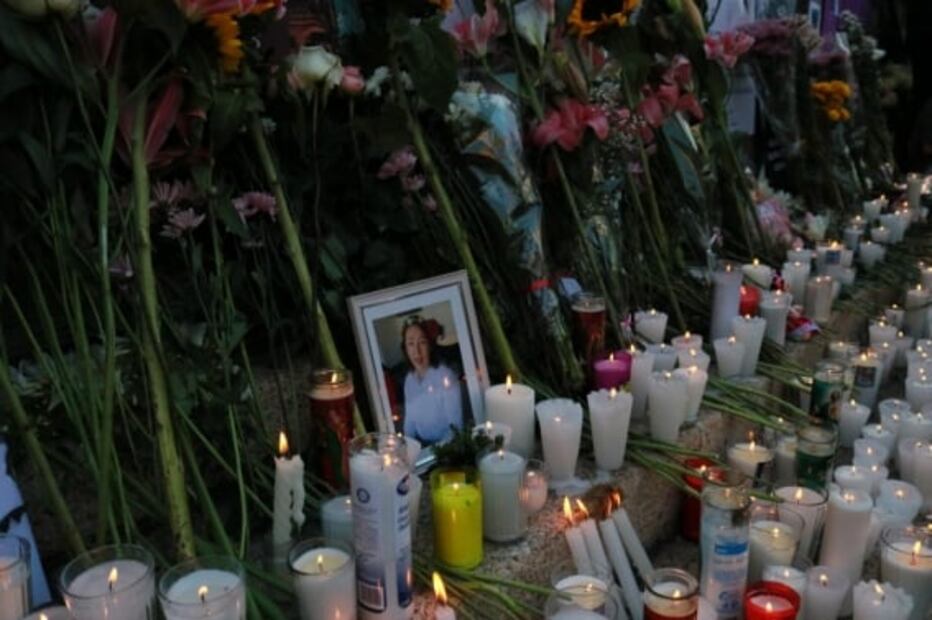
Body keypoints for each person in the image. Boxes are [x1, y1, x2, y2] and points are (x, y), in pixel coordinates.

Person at [399, 316, 463, 444]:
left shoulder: (445, 376)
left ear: (430, 345)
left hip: (446, 444)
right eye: (411, 344)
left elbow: (456, 428)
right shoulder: (409, 380)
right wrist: (406, 447)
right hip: (421, 445)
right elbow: (410, 422)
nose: (416, 351)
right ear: (405, 349)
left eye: (422, 342)